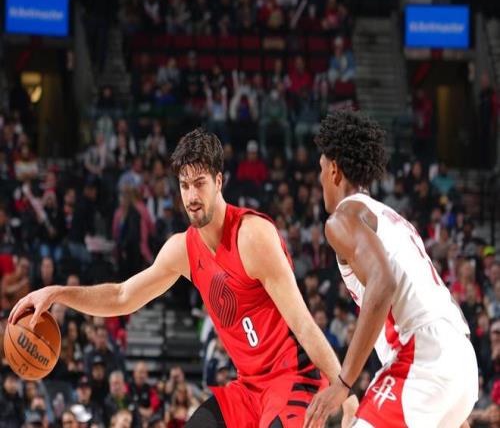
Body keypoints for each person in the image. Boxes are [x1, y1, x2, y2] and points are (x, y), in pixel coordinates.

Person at [10, 128, 357, 428]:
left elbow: (304, 323)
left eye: (200, 183)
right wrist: (57, 293)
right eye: (184, 185)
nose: (191, 196)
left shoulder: (252, 236)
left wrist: (345, 390)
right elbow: (121, 296)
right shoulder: (182, 249)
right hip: (248, 387)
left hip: (294, 379)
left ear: (219, 182)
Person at [304, 111, 478, 428]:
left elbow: (382, 284)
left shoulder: (343, 218)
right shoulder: (393, 219)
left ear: (334, 170)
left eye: (320, 169)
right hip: (460, 363)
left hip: (422, 358)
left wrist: (343, 382)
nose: (319, 179)